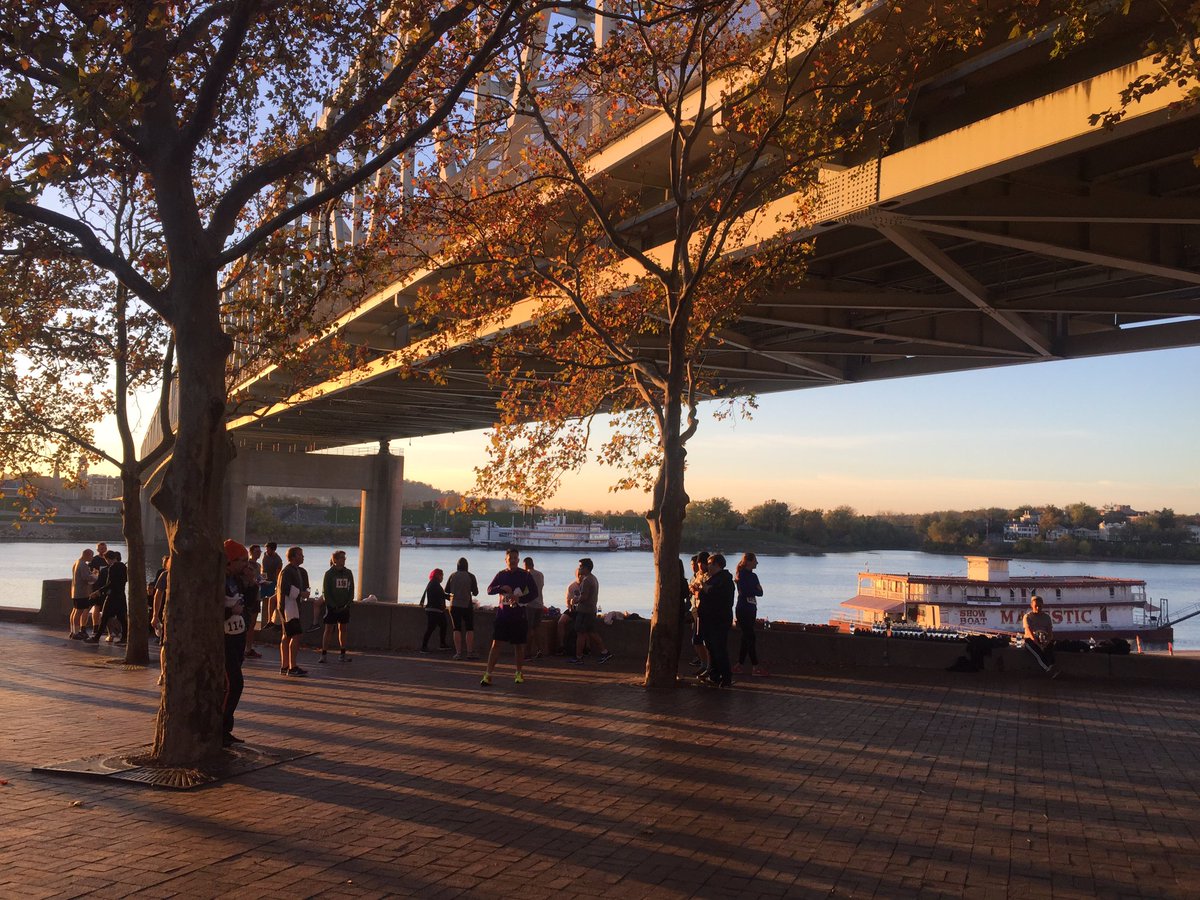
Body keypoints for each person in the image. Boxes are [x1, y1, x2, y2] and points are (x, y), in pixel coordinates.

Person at [480, 548, 538, 686]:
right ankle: (488, 674)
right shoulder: (501, 575)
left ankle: (518, 673)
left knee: (518, 646)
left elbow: (534, 593)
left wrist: (520, 599)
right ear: (506, 560)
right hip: (502, 616)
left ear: (518, 560)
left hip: (519, 616)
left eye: (515, 558)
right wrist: (501, 588)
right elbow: (489, 590)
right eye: (510, 558)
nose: (513, 560)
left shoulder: (525, 575)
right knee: (496, 644)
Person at [222, 540, 250, 746]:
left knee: (232, 684)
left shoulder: (236, 579)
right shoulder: (219, 580)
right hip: (225, 639)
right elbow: (210, 609)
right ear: (230, 561)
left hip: (237, 636)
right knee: (234, 683)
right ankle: (221, 729)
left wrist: (252, 584)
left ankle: (226, 728)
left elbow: (246, 603)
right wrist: (230, 611)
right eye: (242, 560)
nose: (245, 564)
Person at [697, 553, 735, 687]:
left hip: (718, 620)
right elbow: (702, 594)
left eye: (710, 564)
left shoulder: (725, 580)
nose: (707, 567)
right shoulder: (713, 579)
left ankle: (726, 677)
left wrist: (707, 590)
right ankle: (714, 675)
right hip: (708, 619)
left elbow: (720, 597)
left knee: (719, 649)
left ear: (717, 564)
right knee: (712, 648)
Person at [568, 557, 612, 665]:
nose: (579, 569)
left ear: (586, 568)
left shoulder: (587, 580)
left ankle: (579, 657)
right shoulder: (593, 578)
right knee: (591, 632)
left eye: (580, 567)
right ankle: (604, 652)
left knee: (581, 633)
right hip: (591, 610)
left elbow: (584, 597)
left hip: (585, 611)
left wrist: (574, 600)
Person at [277, 546, 309, 677]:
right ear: (293, 557)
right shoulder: (287, 571)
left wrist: (304, 592)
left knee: (287, 635)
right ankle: (292, 666)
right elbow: (285, 588)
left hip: (291, 606)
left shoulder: (298, 571)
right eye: (300, 555)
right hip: (289, 607)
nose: (303, 557)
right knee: (296, 635)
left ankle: (285, 665)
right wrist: (301, 593)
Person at [319, 550, 355, 663]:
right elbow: (326, 591)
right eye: (342, 558)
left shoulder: (348, 573)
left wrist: (348, 603)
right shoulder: (329, 574)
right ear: (335, 560)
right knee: (328, 629)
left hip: (345, 606)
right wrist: (333, 605)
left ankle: (343, 653)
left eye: (344, 558)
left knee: (343, 629)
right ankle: (324, 654)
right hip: (332, 607)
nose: (344, 560)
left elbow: (351, 589)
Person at [86, 549, 128, 645]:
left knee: (104, 617)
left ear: (107, 559)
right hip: (121, 595)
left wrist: (98, 591)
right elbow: (125, 580)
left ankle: (96, 638)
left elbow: (110, 583)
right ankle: (124, 638)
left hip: (112, 596)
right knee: (122, 618)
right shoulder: (123, 567)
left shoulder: (112, 568)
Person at [734, 552, 766, 676]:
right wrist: (755, 589)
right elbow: (745, 592)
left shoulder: (754, 576)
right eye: (755, 560)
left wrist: (754, 590)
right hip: (743, 609)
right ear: (748, 561)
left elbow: (761, 593)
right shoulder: (741, 575)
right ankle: (755, 666)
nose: (757, 563)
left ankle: (739, 665)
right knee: (750, 637)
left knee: (746, 637)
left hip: (752, 609)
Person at [445, 557, 479, 660]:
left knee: (456, 628)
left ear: (457, 566)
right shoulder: (471, 576)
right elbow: (476, 592)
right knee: (469, 628)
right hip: (467, 605)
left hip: (454, 605)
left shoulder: (452, 575)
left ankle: (458, 653)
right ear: (467, 566)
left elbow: (446, 590)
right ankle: (469, 652)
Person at [1022, 593, 1060, 678]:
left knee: (1050, 648)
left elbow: (1050, 633)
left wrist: (1047, 642)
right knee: (1038, 652)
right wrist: (1039, 645)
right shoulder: (1027, 617)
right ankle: (1049, 670)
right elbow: (1030, 633)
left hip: (1044, 638)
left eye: (1039, 606)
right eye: (1036, 606)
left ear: (1042, 605)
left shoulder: (1047, 617)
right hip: (1031, 640)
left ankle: (1052, 666)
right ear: (1031, 605)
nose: (1038, 608)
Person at [418, 568, 451, 653]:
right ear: (437, 575)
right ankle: (424, 647)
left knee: (443, 625)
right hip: (434, 610)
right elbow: (442, 595)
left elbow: (441, 595)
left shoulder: (432, 583)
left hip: (434, 609)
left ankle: (442, 644)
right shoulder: (435, 584)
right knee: (431, 628)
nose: (442, 577)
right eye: (441, 575)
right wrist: (452, 597)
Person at [688, 552, 710, 677]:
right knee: (696, 640)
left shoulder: (710, 576)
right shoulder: (698, 575)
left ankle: (707, 666)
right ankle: (703, 663)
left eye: (702, 563)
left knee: (704, 640)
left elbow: (705, 592)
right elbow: (693, 587)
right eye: (699, 563)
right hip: (696, 610)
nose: (700, 566)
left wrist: (697, 591)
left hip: (705, 611)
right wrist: (693, 589)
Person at [522, 556, 547, 659]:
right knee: (537, 629)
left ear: (525, 565)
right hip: (539, 604)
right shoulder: (540, 574)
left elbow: (523, 590)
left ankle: (527, 652)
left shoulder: (526, 575)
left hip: (530, 605)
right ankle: (540, 650)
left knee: (529, 629)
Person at [69, 548, 96, 639]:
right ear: (87, 555)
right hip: (81, 592)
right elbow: (86, 578)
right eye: (91, 556)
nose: (92, 558)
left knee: (74, 611)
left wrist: (91, 573)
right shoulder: (83, 564)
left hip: (75, 591)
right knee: (79, 612)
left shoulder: (77, 562)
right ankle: (76, 633)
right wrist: (95, 577)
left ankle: (72, 631)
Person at [243, 545, 264, 659]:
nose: (259, 553)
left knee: (253, 624)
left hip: (257, 596)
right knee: (248, 624)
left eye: (260, 551)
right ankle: (245, 648)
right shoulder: (247, 565)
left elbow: (259, 579)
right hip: (249, 597)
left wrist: (262, 581)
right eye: (256, 551)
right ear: (250, 552)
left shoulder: (259, 565)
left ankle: (249, 647)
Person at [260, 541, 283, 631]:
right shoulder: (265, 555)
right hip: (263, 580)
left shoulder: (278, 560)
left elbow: (278, 573)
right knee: (260, 598)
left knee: (271, 600)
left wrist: (277, 584)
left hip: (272, 581)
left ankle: (273, 621)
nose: (266, 550)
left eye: (268, 549)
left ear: (273, 549)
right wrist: (262, 580)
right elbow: (263, 569)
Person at [558, 572, 582, 654]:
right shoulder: (572, 586)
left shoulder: (587, 585)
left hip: (583, 609)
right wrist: (570, 608)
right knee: (561, 622)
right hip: (573, 608)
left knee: (584, 627)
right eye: (579, 575)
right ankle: (561, 646)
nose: (580, 577)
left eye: (582, 575)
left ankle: (587, 647)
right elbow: (568, 600)